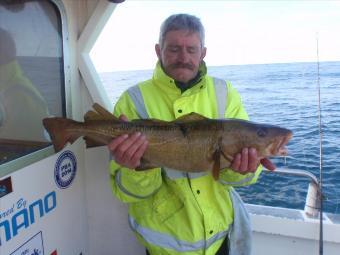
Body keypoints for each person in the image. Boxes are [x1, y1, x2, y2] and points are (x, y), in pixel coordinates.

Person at [107, 14, 275, 255]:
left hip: (220, 242)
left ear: (203, 53)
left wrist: (244, 169)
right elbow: (127, 192)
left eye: (191, 49)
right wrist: (132, 166)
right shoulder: (132, 100)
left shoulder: (225, 92)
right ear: (158, 50)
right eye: (174, 49)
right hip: (163, 249)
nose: (183, 58)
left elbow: (240, 179)